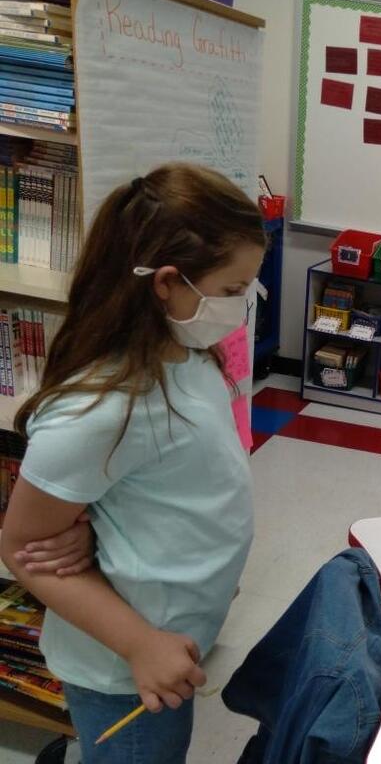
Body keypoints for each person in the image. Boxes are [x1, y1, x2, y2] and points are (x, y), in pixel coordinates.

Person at [0, 163, 265, 764]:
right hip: (123, 667)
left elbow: (171, 482)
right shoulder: (100, 409)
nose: (239, 306)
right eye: (231, 290)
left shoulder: (191, 355)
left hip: (171, 639)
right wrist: (142, 644)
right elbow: (22, 547)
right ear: (167, 282)